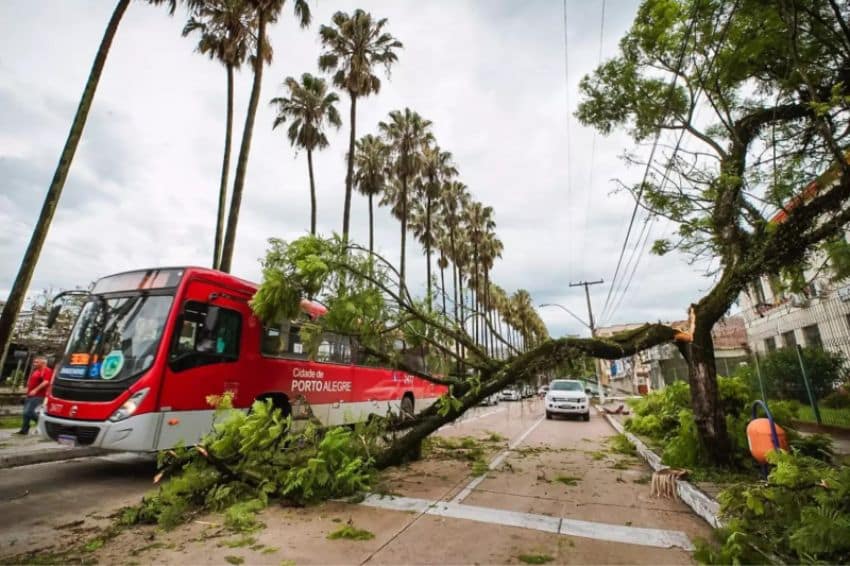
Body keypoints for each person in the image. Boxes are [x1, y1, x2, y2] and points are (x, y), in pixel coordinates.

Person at [16, 356, 53, 435]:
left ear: (43, 363)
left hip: (38, 395)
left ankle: (44, 425)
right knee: (25, 414)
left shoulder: (47, 370)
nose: (34, 363)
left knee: (29, 412)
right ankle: (24, 430)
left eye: (37, 362)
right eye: (34, 362)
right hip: (30, 395)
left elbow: (46, 382)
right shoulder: (36, 371)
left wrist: (35, 390)